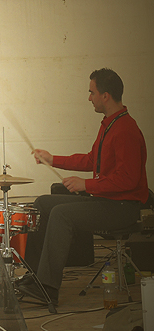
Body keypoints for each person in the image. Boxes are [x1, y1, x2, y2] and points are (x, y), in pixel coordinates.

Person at [19, 68, 149, 305]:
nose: (89, 98)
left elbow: (128, 179)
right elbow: (92, 160)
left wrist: (87, 184)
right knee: (42, 204)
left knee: (61, 214)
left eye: (92, 92)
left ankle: (48, 288)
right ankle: (36, 276)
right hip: (107, 201)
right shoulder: (109, 124)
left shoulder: (126, 129)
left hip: (122, 208)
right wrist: (52, 159)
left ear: (105, 95)